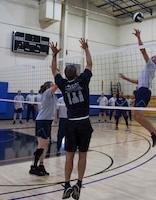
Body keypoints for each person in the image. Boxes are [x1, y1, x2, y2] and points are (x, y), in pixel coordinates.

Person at [50, 38, 93, 200]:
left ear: (65, 75)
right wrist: (86, 49)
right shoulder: (83, 80)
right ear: (76, 73)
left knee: (69, 156)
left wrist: (54, 55)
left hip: (71, 124)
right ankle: (79, 184)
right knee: (83, 155)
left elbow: (54, 70)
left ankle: (67, 184)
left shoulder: (62, 84)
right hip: (84, 122)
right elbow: (89, 64)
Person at [118, 28, 156, 148]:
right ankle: (154, 133)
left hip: (143, 92)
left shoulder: (151, 65)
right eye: (153, 56)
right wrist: (125, 78)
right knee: (136, 116)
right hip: (141, 90)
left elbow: (143, 51)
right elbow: (138, 81)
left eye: (155, 57)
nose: (152, 57)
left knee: (138, 116)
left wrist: (139, 37)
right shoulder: (148, 68)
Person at [29, 81, 58, 176]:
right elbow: (57, 85)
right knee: (41, 145)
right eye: (51, 84)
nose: (53, 86)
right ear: (47, 88)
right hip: (42, 121)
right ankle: (33, 167)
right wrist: (58, 75)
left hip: (47, 122)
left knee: (45, 145)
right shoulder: (46, 94)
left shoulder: (53, 96)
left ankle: (41, 165)